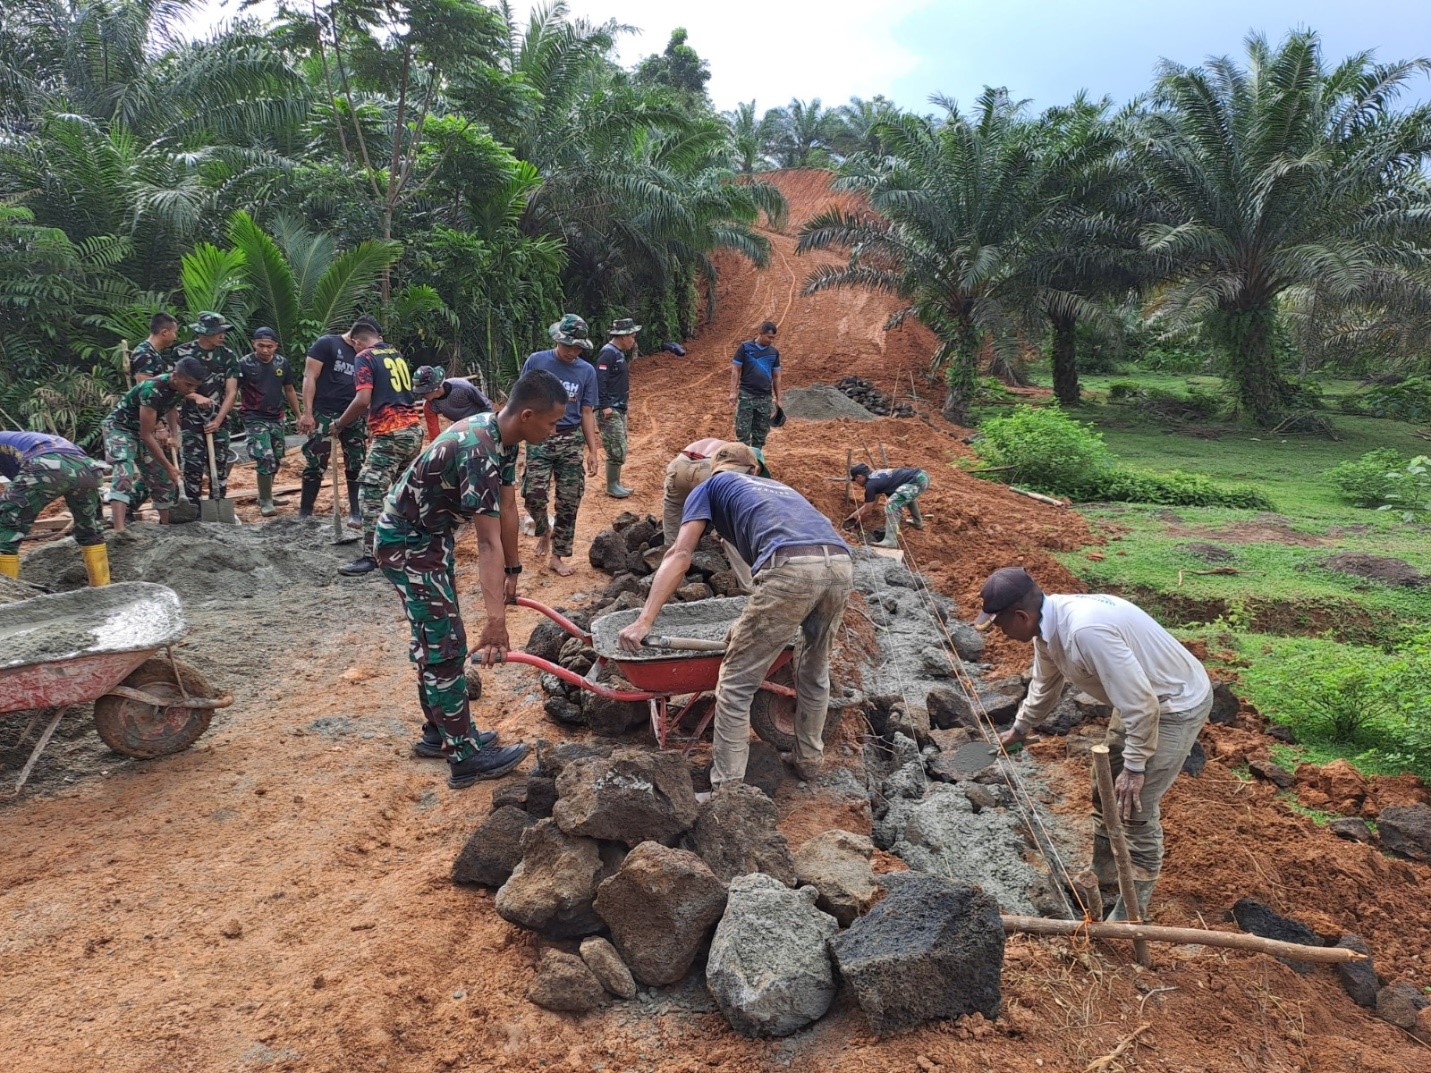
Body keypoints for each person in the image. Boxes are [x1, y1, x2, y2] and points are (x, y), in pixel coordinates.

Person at [978, 567, 1213, 921]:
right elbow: (1045, 686)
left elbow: (1143, 706)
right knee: (1103, 789)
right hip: (1139, 698)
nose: (998, 633)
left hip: (1174, 704)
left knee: (1135, 806)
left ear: (1021, 616)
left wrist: (1135, 768)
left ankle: (1132, 911)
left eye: (999, 625)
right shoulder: (1046, 629)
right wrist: (1021, 728)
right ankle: (1102, 875)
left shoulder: (1085, 631)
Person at [619, 443, 854, 790]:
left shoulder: (711, 486)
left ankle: (727, 788)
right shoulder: (779, 488)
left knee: (735, 684)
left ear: (716, 467)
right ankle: (808, 760)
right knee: (814, 670)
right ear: (754, 470)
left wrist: (645, 620)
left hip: (789, 569)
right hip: (841, 564)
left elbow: (680, 553)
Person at [375, 370, 569, 788]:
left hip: (428, 536)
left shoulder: (500, 437)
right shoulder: (478, 449)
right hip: (407, 541)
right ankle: (463, 756)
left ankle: (438, 732)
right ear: (527, 415)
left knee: (434, 635)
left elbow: (508, 510)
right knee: (444, 640)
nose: (555, 432)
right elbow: (486, 543)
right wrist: (495, 619)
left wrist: (514, 571)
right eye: (552, 423)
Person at [334, 324, 424, 576]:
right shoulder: (395, 355)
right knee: (404, 492)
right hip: (413, 431)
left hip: (390, 433)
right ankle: (408, 547)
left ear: (356, 342)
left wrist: (340, 423)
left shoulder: (364, 357)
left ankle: (372, 556)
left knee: (371, 493)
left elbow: (363, 400)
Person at [520, 314, 600, 576]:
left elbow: (587, 411)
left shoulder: (586, 371)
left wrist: (593, 450)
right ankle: (544, 530)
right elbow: (520, 399)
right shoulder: (537, 361)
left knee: (569, 500)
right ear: (557, 340)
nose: (572, 352)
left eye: (578, 347)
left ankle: (558, 555)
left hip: (570, 439)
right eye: (568, 346)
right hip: (538, 438)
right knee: (533, 494)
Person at [101, 357, 206, 532]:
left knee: (162, 478)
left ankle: (166, 528)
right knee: (124, 472)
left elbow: (170, 407)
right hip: (120, 428)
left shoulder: (179, 387)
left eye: (195, 386)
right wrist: (170, 466)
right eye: (189, 385)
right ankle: (119, 530)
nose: (191, 390)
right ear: (175, 376)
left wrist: (173, 434)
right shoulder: (152, 389)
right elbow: (146, 435)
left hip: (142, 430)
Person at [0, 431, 110, 586]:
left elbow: (20, 487)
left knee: (5, 529)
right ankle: (102, 588)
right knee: (90, 528)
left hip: (47, 463)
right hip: (88, 467)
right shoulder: (21, 439)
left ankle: (6, 596)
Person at [297, 316, 376, 522]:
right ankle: (305, 512)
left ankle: (355, 512)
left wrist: (370, 419)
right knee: (316, 460)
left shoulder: (368, 355)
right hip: (324, 412)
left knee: (356, 461)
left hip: (353, 413)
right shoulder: (327, 344)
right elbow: (309, 377)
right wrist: (307, 412)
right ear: (357, 338)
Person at [660, 437, 762, 591]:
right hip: (709, 468)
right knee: (732, 525)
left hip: (679, 464)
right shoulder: (745, 459)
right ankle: (747, 587)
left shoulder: (722, 446)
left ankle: (666, 574)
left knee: (674, 513)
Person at [173, 311, 240, 509]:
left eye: (223, 331)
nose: (222, 335)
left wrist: (219, 420)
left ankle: (217, 506)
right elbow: (174, 384)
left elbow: (231, 391)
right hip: (190, 419)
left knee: (219, 465)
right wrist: (195, 397)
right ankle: (191, 509)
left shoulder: (228, 356)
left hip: (218, 418)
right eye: (217, 332)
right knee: (192, 465)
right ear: (203, 333)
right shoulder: (182, 353)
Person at [237, 327, 301, 517]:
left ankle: (267, 494)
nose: (265, 350)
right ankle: (265, 501)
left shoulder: (282, 363)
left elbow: (289, 389)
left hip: (276, 416)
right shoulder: (245, 364)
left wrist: (298, 415)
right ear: (253, 343)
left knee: (276, 457)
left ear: (276, 346)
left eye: (269, 346)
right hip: (253, 416)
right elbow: (233, 389)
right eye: (261, 346)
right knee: (264, 456)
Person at [594, 317, 639, 498]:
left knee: (621, 446)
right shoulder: (608, 353)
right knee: (616, 447)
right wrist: (604, 405)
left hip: (619, 407)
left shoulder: (618, 353)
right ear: (622, 336)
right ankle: (611, 486)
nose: (633, 340)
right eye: (632, 336)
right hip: (610, 408)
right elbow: (600, 381)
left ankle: (616, 483)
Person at [846, 463, 929, 547]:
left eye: (855, 479)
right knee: (906, 494)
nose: (856, 482)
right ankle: (917, 522)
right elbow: (873, 503)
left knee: (892, 504)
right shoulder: (876, 476)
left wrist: (856, 526)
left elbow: (867, 511)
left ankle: (890, 540)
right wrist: (855, 514)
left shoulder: (870, 485)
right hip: (921, 475)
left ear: (859, 476)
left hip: (917, 480)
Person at [730, 320, 782, 450]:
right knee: (742, 432)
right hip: (747, 395)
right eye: (769, 337)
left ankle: (757, 459)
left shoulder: (773, 353)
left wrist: (778, 399)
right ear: (760, 333)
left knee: (761, 433)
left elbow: (776, 376)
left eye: (773, 338)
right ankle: (743, 461)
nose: (771, 340)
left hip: (765, 397)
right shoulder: (745, 348)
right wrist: (733, 391)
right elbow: (736, 370)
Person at [412, 366, 492, 442]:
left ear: (436, 387)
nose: (421, 395)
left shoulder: (462, 387)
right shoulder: (430, 406)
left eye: (423, 392)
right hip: (460, 427)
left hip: (481, 421)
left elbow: (486, 405)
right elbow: (434, 436)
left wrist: (490, 427)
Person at [129, 312, 179, 383]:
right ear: (165, 332)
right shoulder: (144, 354)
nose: (175, 337)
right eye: (175, 332)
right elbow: (144, 388)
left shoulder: (152, 352)